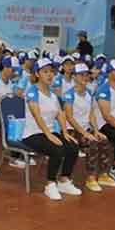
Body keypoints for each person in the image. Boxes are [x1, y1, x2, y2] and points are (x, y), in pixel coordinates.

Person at [22, 58, 82, 201]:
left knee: (73, 146)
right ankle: (50, 184)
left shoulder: (53, 94)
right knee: (57, 149)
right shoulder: (32, 92)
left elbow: (60, 114)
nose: (50, 75)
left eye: (51, 72)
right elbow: (37, 115)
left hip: (49, 132)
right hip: (33, 134)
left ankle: (64, 180)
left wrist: (65, 133)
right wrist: (49, 135)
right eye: (45, 72)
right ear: (37, 74)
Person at [63, 63, 115, 192]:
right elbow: (69, 118)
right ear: (74, 77)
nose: (85, 77)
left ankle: (103, 175)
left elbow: (91, 114)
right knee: (92, 143)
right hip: (72, 130)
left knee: (104, 140)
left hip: (86, 129)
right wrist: (85, 133)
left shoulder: (89, 93)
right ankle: (91, 178)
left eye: (86, 75)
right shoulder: (69, 95)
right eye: (81, 75)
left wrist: (96, 130)